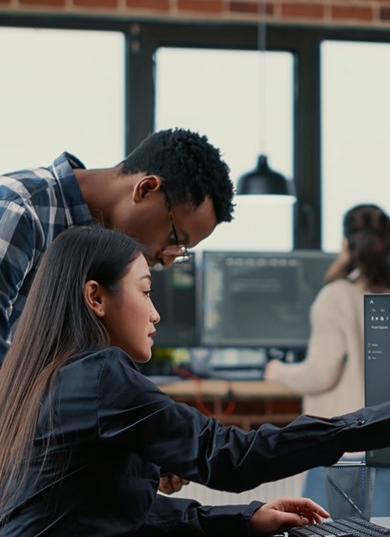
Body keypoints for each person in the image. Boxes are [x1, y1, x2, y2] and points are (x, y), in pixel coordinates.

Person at [0, 226, 390, 537]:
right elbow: (231, 455)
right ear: (96, 298)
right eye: (145, 292)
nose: (156, 312)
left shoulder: (36, 380)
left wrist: (245, 518)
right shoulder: (102, 375)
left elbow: (106, 508)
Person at [263, 203, 390, 537]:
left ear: (347, 243)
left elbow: (321, 371)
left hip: (342, 444)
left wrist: (277, 371)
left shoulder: (336, 296)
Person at [0, 127, 235, 367]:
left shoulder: (101, 257)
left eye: (181, 252)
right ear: (145, 189)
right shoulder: (18, 209)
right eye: (174, 238)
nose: (167, 261)